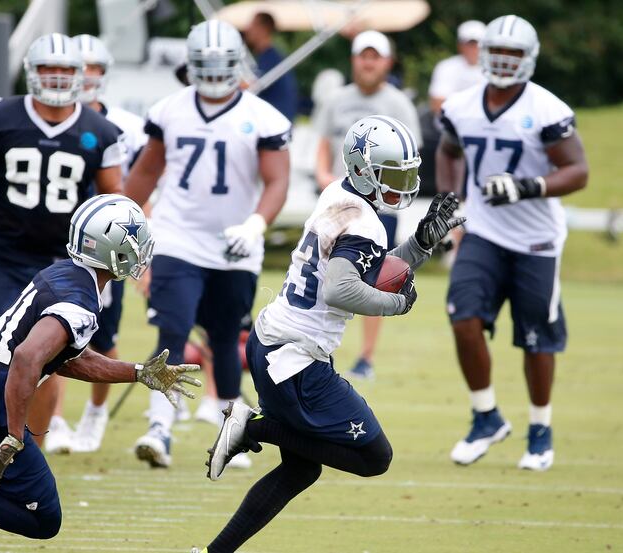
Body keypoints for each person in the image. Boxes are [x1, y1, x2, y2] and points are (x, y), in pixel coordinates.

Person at [192, 116, 464, 553]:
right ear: (363, 168)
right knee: (375, 457)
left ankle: (213, 552)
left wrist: (420, 244)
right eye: (392, 175)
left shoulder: (339, 195)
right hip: (296, 359)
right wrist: (399, 304)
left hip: (278, 344)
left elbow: (370, 268)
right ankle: (253, 427)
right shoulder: (363, 220)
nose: (401, 185)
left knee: (302, 469)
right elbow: (344, 287)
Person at [0, 194, 201, 549]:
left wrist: (137, 372)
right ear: (113, 248)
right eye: (135, 241)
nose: (142, 250)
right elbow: (29, 358)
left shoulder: (68, 272)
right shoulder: (80, 304)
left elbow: (64, 357)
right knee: (43, 519)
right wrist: (14, 436)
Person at [125, 20, 291, 469]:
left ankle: (230, 429)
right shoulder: (169, 110)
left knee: (224, 335)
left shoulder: (263, 116)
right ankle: (160, 426)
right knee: (172, 329)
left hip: (236, 242)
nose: (215, 75)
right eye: (207, 65)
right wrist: (120, 219)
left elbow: (278, 181)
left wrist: (256, 224)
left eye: (222, 66)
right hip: (178, 236)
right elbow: (145, 173)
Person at [0, 33, 125, 447]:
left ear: (81, 76)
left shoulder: (101, 130)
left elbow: (114, 204)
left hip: (64, 263)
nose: (58, 78)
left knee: (48, 357)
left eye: (66, 70)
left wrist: (106, 270)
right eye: (49, 69)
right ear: (32, 72)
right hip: (3, 255)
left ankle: (29, 447)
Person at [436, 15, 588, 471]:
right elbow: (448, 151)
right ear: (482, 55)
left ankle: (540, 429)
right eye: (497, 52)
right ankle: (486, 417)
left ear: (529, 59)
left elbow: (578, 171)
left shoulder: (546, 110)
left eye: (514, 54)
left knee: (536, 340)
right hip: (483, 231)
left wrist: (529, 186)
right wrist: (449, 203)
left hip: (536, 240)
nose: (504, 61)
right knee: (462, 318)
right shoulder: (461, 105)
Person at [43, 34, 149, 454]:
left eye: (93, 69)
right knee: (51, 329)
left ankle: (95, 413)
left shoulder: (124, 127)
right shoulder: (51, 118)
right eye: (78, 68)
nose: (86, 77)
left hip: (106, 246)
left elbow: (134, 190)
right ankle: (52, 419)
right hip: (55, 237)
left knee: (100, 336)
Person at [313, 30, 422, 380]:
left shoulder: (398, 103)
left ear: (388, 62)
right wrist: (322, 176)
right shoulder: (337, 99)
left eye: (375, 56)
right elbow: (322, 143)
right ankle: (319, 342)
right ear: (354, 60)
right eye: (363, 55)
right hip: (340, 200)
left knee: (378, 276)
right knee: (323, 272)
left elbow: (410, 158)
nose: (369, 62)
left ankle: (366, 356)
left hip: (381, 205)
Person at [243, 11, 300, 122]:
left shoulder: (271, 58)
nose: (248, 29)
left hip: (275, 121)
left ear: (264, 28)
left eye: (252, 25)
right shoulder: (267, 57)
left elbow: (251, 85)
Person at [428, 20, 486, 116]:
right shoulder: (446, 67)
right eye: (469, 44)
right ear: (460, 45)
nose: (474, 48)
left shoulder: (493, 69)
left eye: (477, 44)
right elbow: (437, 103)